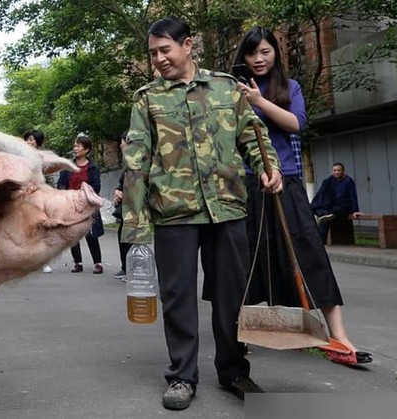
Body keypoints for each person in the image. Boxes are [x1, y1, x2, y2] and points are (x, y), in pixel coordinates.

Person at [121, 17, 282, 410]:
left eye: (165, 50)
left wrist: (269, 166)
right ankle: (181, 376)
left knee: (231, 295)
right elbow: (136, 162)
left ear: (188, 45)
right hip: (173, 212)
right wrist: (135, 223)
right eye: (153, 53)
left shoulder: (226, 87)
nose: (159, 59)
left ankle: (233, 370)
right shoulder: (147, 98)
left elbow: (252, 134)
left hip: (226, 207)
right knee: (178, 297)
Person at [234, 27, 372, 366]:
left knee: (309, 252)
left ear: (275, 53)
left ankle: (339, 335)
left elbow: (295, 123)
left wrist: (260, 102)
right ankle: (239, 331)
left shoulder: (289, 87)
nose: (259, 59)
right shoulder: (232, 91)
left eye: (265, 52)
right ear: (244, 58)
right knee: (247, 257)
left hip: (289, 181)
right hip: (249, 184)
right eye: (252, 54)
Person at [57, 134, 104, 274]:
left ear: (86, 149)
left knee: (91, 235)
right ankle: (78, 263)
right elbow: (61, 183)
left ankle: (98, 263)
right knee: (73, 235)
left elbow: (96, 186)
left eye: (78, 146)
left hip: (88, 205)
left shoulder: (92, 167)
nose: (75, 148)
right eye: (75, 146)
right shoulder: (68, 167)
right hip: (71, 205)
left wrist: (85, 192)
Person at [24, 128, 55, 273]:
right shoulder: (19, 157)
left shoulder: (43, 158)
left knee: (43, 229)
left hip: (40, 197)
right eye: (27, 139)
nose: (28, 142)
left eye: (31, 139)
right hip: (24, 198)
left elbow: (49, 178)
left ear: (38, 142)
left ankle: (45, 261)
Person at [311, 162, 363, 242]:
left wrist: (355, 210)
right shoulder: (330, 180)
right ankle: (324, 215)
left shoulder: (348, 181)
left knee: (326, 218)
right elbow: (322, 193)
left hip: (344, 207)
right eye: (334, 170)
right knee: (316, 208)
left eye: (338, 170)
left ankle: (320, 242)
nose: (336, 172)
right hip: (332, 207)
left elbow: (353, 196)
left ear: (343, 171)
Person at [112, 131, 132, 281]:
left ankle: (132, 269)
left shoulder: (138, 163)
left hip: (134, 208)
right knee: (122, 236)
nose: (120, 145)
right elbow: (121, 184)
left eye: (122, 142)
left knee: (130, 239)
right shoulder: (127, 164)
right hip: (125, 208)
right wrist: (117, 192)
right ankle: (125, 267)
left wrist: (125, 194)